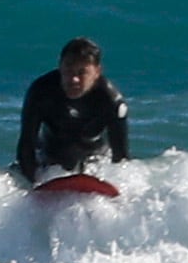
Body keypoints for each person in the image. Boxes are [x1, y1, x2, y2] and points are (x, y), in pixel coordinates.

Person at [14, 37, 130, 181]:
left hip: (94, 160)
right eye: (68, 70)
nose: (74, 79)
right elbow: (26, 144)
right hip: (50, 156)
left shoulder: (112, 102)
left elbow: (121, 158)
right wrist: (33, 182)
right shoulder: (41, 92)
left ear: (97, 72)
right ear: (60, 66)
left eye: (82, 72)